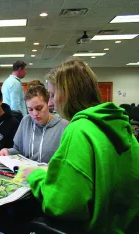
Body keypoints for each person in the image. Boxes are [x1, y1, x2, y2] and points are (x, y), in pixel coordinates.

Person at [21, 58, 139, 233]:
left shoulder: (78, 129)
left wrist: (35, 176)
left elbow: (63, 205)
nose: (51, 103)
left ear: (67, 93)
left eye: (53, 95)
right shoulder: (123, 126)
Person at [0, 84, 68, 163]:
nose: (35, 113)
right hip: (26, 172)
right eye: (30, 109)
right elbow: (17, 149)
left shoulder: (63, 126)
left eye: (39, 108)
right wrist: (7, 152)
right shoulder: (26, 121)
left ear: (48, 104)